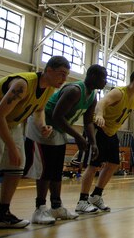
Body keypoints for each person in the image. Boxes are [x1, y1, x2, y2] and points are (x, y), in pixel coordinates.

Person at [0, 56, 70, 236]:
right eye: (61, 74)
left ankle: (2, 214)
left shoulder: (48, 90)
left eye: (66, 75)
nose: (64, 79)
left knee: (17, 165)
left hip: (12, 122)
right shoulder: (22, 85)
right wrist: (12, 146)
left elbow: (38, 111)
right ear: (48, 70)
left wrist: (42, 126)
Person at [24, 64, 108, 224]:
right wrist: (77, 137)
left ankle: (56, 206)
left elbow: (88, 121)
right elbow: (56, 115)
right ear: (93, 77)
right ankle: (39, 209)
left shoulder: (92, 95)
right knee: (46, 170)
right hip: (44, 126)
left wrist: (93, 142)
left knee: (56, 170)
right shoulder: (75, 90)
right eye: (103, 78)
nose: (105, 81)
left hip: (58, 129)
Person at [76, 69, 134, 213]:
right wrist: (99, 114)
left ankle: (96, 196)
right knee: (93, 165)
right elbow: (103, 102)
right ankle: (82, 200)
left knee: (113, 164)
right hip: (98, 130)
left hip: (111, 132)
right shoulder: (119, 92)